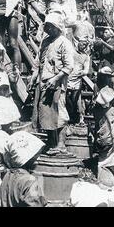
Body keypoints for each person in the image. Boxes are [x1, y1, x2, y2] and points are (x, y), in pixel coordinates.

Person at [30, 12, 74, 152]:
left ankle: (60, 144)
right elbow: (38, 62)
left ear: (58, 27)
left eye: (51, 26)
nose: (49, 29)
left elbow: (69, 66)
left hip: (57, 83)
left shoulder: (64, 42)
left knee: (59, 112)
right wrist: (33, 79)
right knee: (45, 112)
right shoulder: (45, 41)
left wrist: (55, 79)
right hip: (43, 81)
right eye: (47, 26)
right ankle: (51, 142)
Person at [0, 132, 47, 207]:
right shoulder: (30, 181)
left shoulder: (7, 175)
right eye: (35, 156)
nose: (38, 159)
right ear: (27, 159)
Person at [92, 86, 114, 181]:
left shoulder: (96, 110)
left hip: (100, 138)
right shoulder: (112, 110)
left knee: (101, 160)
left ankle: (100, 178)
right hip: (111, 138)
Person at [66, 36, 90, 124]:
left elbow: (86, 70)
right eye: (82, 44)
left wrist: (81, 73)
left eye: (85, 45)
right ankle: (69, 117)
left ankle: (73, 118)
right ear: (78, 43)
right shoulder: (71, 52)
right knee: (66, 98)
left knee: (74, 100)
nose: (83, 46)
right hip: (67, 78)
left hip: (77, 80)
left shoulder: (86, 56)